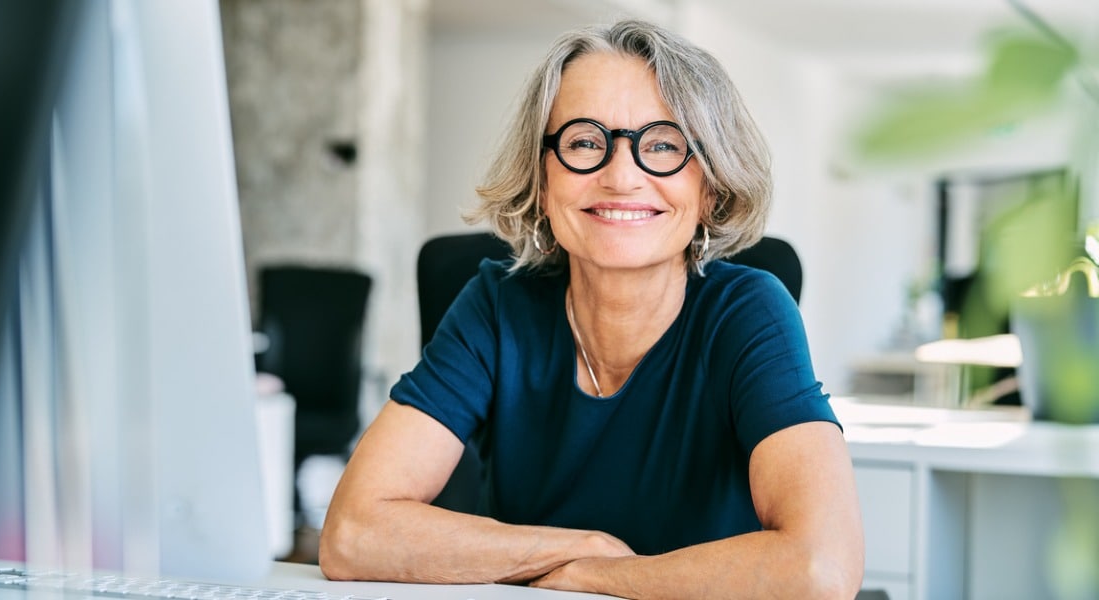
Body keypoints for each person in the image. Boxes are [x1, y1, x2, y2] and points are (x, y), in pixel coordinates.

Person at [319, 19, 864, 599]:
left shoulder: (748, 312)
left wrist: (602, 579)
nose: (621, 176)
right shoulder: (497, 305)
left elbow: (820, 568)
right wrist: (579, 547)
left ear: (710, 187)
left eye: (662, 144)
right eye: (583, 141)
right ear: (542, 178)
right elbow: (352, 533)